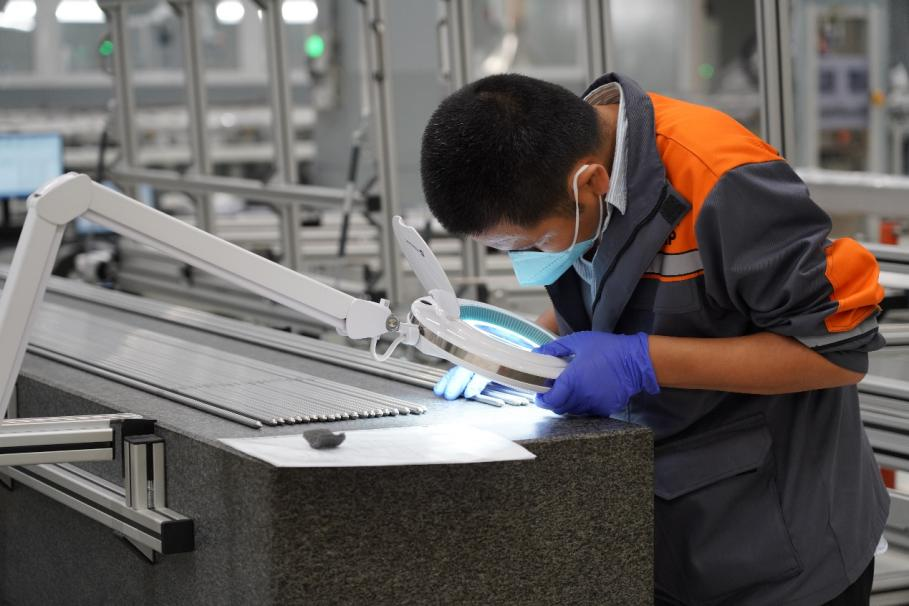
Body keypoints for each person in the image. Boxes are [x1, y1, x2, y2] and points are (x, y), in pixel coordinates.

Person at [419, 72, 889, 605]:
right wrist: (515, 355)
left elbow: (838, 353)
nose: (526, 261)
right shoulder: (562, 163)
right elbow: (607, 289)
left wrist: (641, 360)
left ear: (591, 182)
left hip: (780, 544)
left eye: (535, 243)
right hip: (665, 525)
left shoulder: (723, 180)